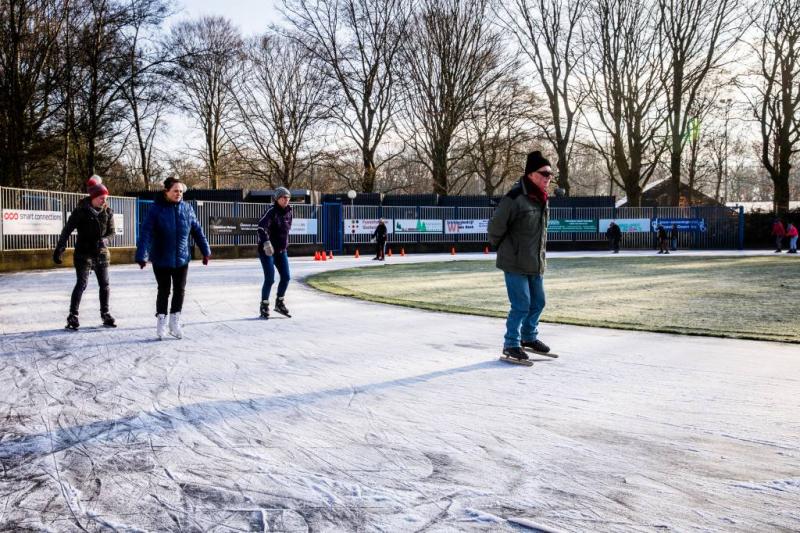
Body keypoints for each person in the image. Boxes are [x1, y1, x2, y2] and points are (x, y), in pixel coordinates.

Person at [488, 150, 553, 363]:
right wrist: (505, 249)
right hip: (515, 261)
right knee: (521, 305)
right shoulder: (514, 197)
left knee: (539, 302)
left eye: (550, 174)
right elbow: (496, 227)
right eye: (544, 173)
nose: (548, 178)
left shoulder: (543, 199)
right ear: (531, 174)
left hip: (535, 261)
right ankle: (511, 344)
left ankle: (528, 337)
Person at [135, 177, 211, 339]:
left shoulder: (187, 208)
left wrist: (205, 251)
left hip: (182, 257)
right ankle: (161, 321)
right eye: (175, 191)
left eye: (181, 191)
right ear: (166, 192)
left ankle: (174, 321)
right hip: (161, 257)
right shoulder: (156, 209)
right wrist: (142, 254)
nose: (178, 194)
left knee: (180, 290)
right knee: (164, 290)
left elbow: (197, 230)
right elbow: (146, 233)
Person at [53, 175, 116, 330]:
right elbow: (67, 230)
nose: (104, 200)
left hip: (101, 253)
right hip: (84, 253)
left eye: (105, 197)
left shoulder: (108, 212)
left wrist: (105, 240)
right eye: (101, 197)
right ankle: (73, 315)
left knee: (105, 284)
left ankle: (105, 313)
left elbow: (112, 232)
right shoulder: (81, 211)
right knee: (82, 283)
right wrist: (60, 247)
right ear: (93, 197)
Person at [257, 187, 293, 319]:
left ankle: (279, 302)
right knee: (270, 278)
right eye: (283, 197)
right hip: (267, 251)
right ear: (277, 199)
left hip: (281, 251)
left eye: (288, 198)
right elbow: (261, 227)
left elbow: (286, 230)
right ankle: (264, 305)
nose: (286, 200)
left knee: (286, 277)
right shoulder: (271, 211)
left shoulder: (289, 211)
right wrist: (266, 243)